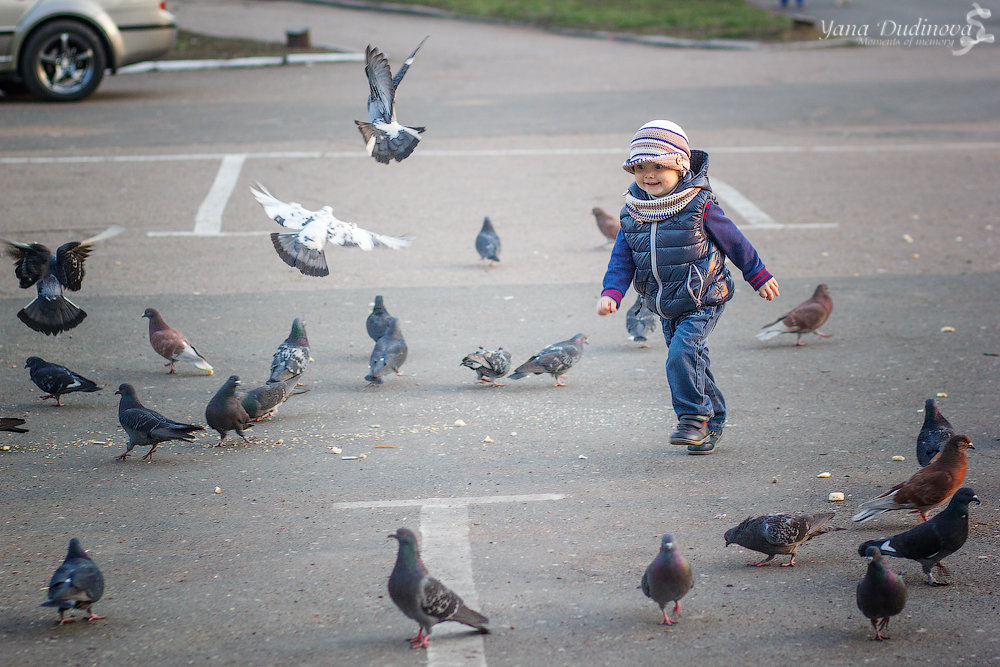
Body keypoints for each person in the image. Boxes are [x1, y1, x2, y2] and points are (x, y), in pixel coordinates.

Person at [597, 120, 780, 455]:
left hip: (702, 298)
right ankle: (714, 421)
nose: (648, 175)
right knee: (692, 362)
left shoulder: (699, 205)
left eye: (658, 167)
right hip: (664, 303)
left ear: (680, 167)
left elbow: (735, 242)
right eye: (640, 168)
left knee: (682, 355)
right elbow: (622, 258)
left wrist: (758, 274)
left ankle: (694, 419)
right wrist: (612, 293)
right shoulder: (633, 211)